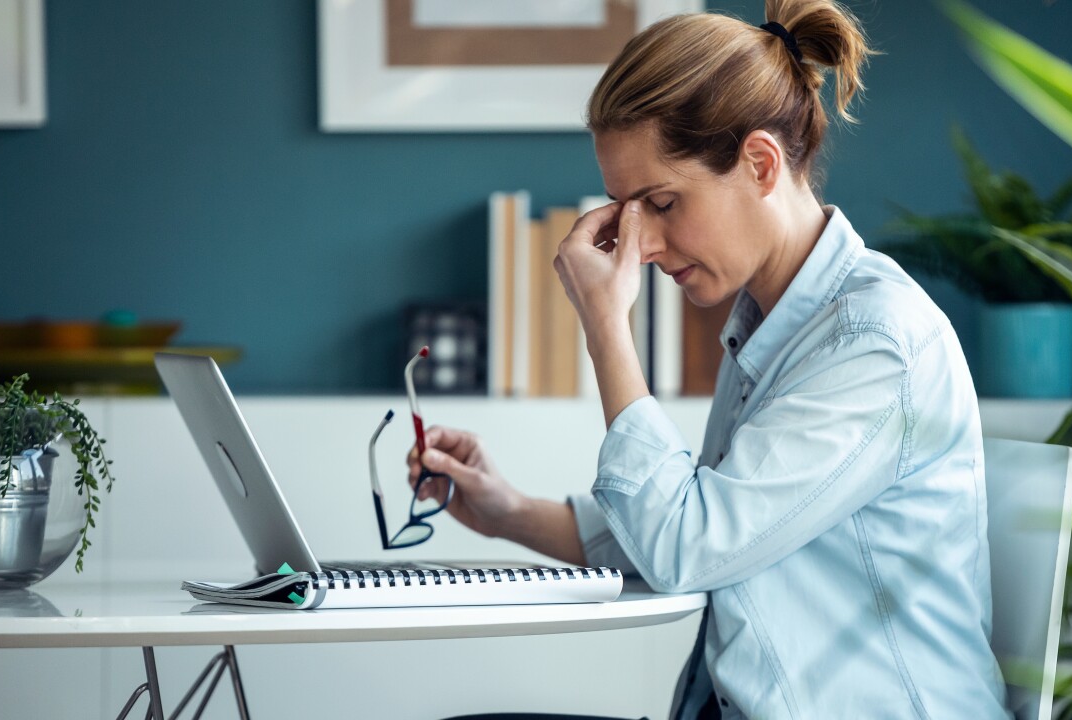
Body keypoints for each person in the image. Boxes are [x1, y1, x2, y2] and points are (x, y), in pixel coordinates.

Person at [410, 1, 1009, 717]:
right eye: (624, 211)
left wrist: (605, 324)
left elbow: (683, 548)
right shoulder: (773, 322)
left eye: (662, 203)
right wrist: (508, 511)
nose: (646, 245)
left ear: (761, 163)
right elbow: (692, 523)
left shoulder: (872, 344)